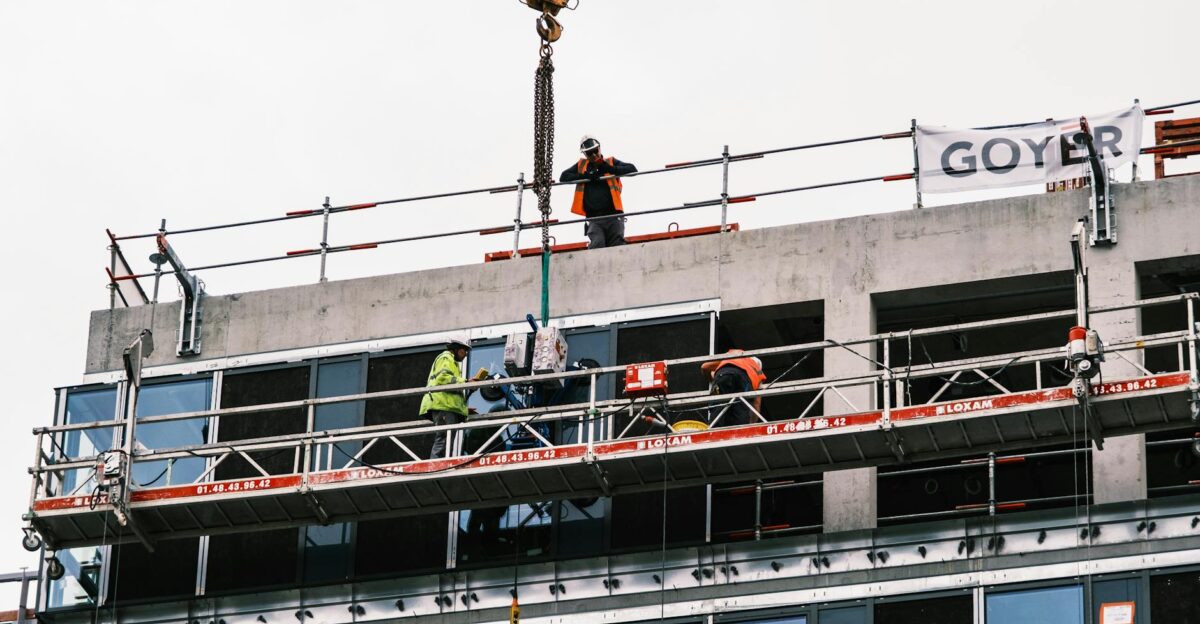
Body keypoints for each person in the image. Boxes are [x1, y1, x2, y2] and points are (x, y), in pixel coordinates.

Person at [559, 135, 637, 249]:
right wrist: (585, 176)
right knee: (597, 244)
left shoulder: (610, 162)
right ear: (585, 155)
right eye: (590, 153)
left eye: (595, 151)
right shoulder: (582, 165)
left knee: (617, 247)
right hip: (594, 218)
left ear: (599, 148)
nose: (594, 155)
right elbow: (564, 177)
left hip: (614, 216)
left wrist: (609, 169)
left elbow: (632, 169)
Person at [420, 332, 488, 459]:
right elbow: (443, 377)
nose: (466, 354)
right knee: (444, 439)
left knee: (447, 441)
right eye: (464, 350)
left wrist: (463, 409)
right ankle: (436, 466)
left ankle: (440, 464)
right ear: (456, 348)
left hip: (447, 407)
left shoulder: (453, 362)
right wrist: (466, 382)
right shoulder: (446, 357)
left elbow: (450, 391)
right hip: (443, 407)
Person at [701, 349, 767, 427]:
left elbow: (704, 367)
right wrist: (751, 425)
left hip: (725, 375)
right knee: (741, 414)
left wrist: (715, 380)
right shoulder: (758, 374)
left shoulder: (734, 354)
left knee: (717, 408)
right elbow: (756, 404)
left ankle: (713, 432)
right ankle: (741, 432)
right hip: (744, 382)